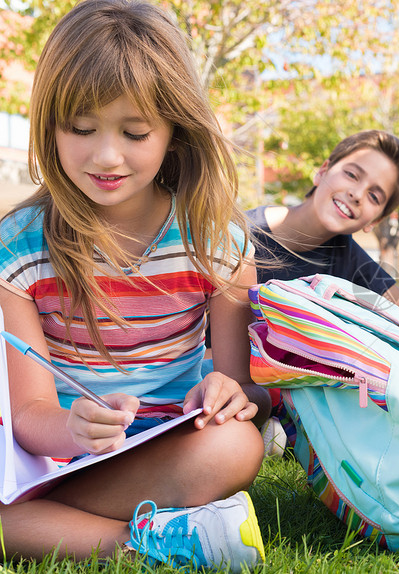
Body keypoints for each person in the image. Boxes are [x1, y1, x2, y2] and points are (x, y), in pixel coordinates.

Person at [0, 0, 269, 569]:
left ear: (174, 129)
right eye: (81, 128)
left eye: (135, 131)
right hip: (56, 457)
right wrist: (73, 431)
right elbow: (28, 416)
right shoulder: (18, 251)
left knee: (237, 445)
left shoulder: (216, 242)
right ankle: (150, 542)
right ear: (49, 124)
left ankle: (53, 527)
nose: (106, 155)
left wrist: (226, 393)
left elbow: (246, 388)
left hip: (169, 446)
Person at [248, 130, 399, 373]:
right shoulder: (243, 236)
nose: (356, 194)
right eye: (351, 175)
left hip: (300, 389)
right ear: (322, 171)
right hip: (234, 385)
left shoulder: (351, 259)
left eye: (374, 196)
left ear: (374, 221)